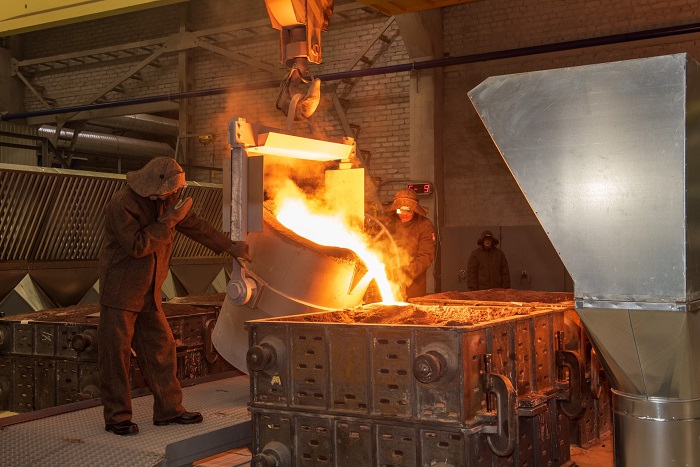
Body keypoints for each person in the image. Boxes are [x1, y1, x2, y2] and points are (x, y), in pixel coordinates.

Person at [98, 156, 251, 436]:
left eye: (175, 191)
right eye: (169, 191)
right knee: (115, 356)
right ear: (151, 184)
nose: (172, 195)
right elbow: (138, 246)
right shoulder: (122, 204)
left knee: (162, 350)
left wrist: (230, 246)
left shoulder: (166, 200)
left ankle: (168, 410)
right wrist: (168, 222)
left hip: (149, 292)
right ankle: (117, 417)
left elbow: (195, 225)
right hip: (121, 292)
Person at [384, 188, 436, 299]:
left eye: (408, 211)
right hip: (388, 280)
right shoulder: (390, 223)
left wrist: (405, 274)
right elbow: (381, 247)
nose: (404, 215)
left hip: (413, 285)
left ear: (415, 210)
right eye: (400, 211)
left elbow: (426, 256)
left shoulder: (424, 226)